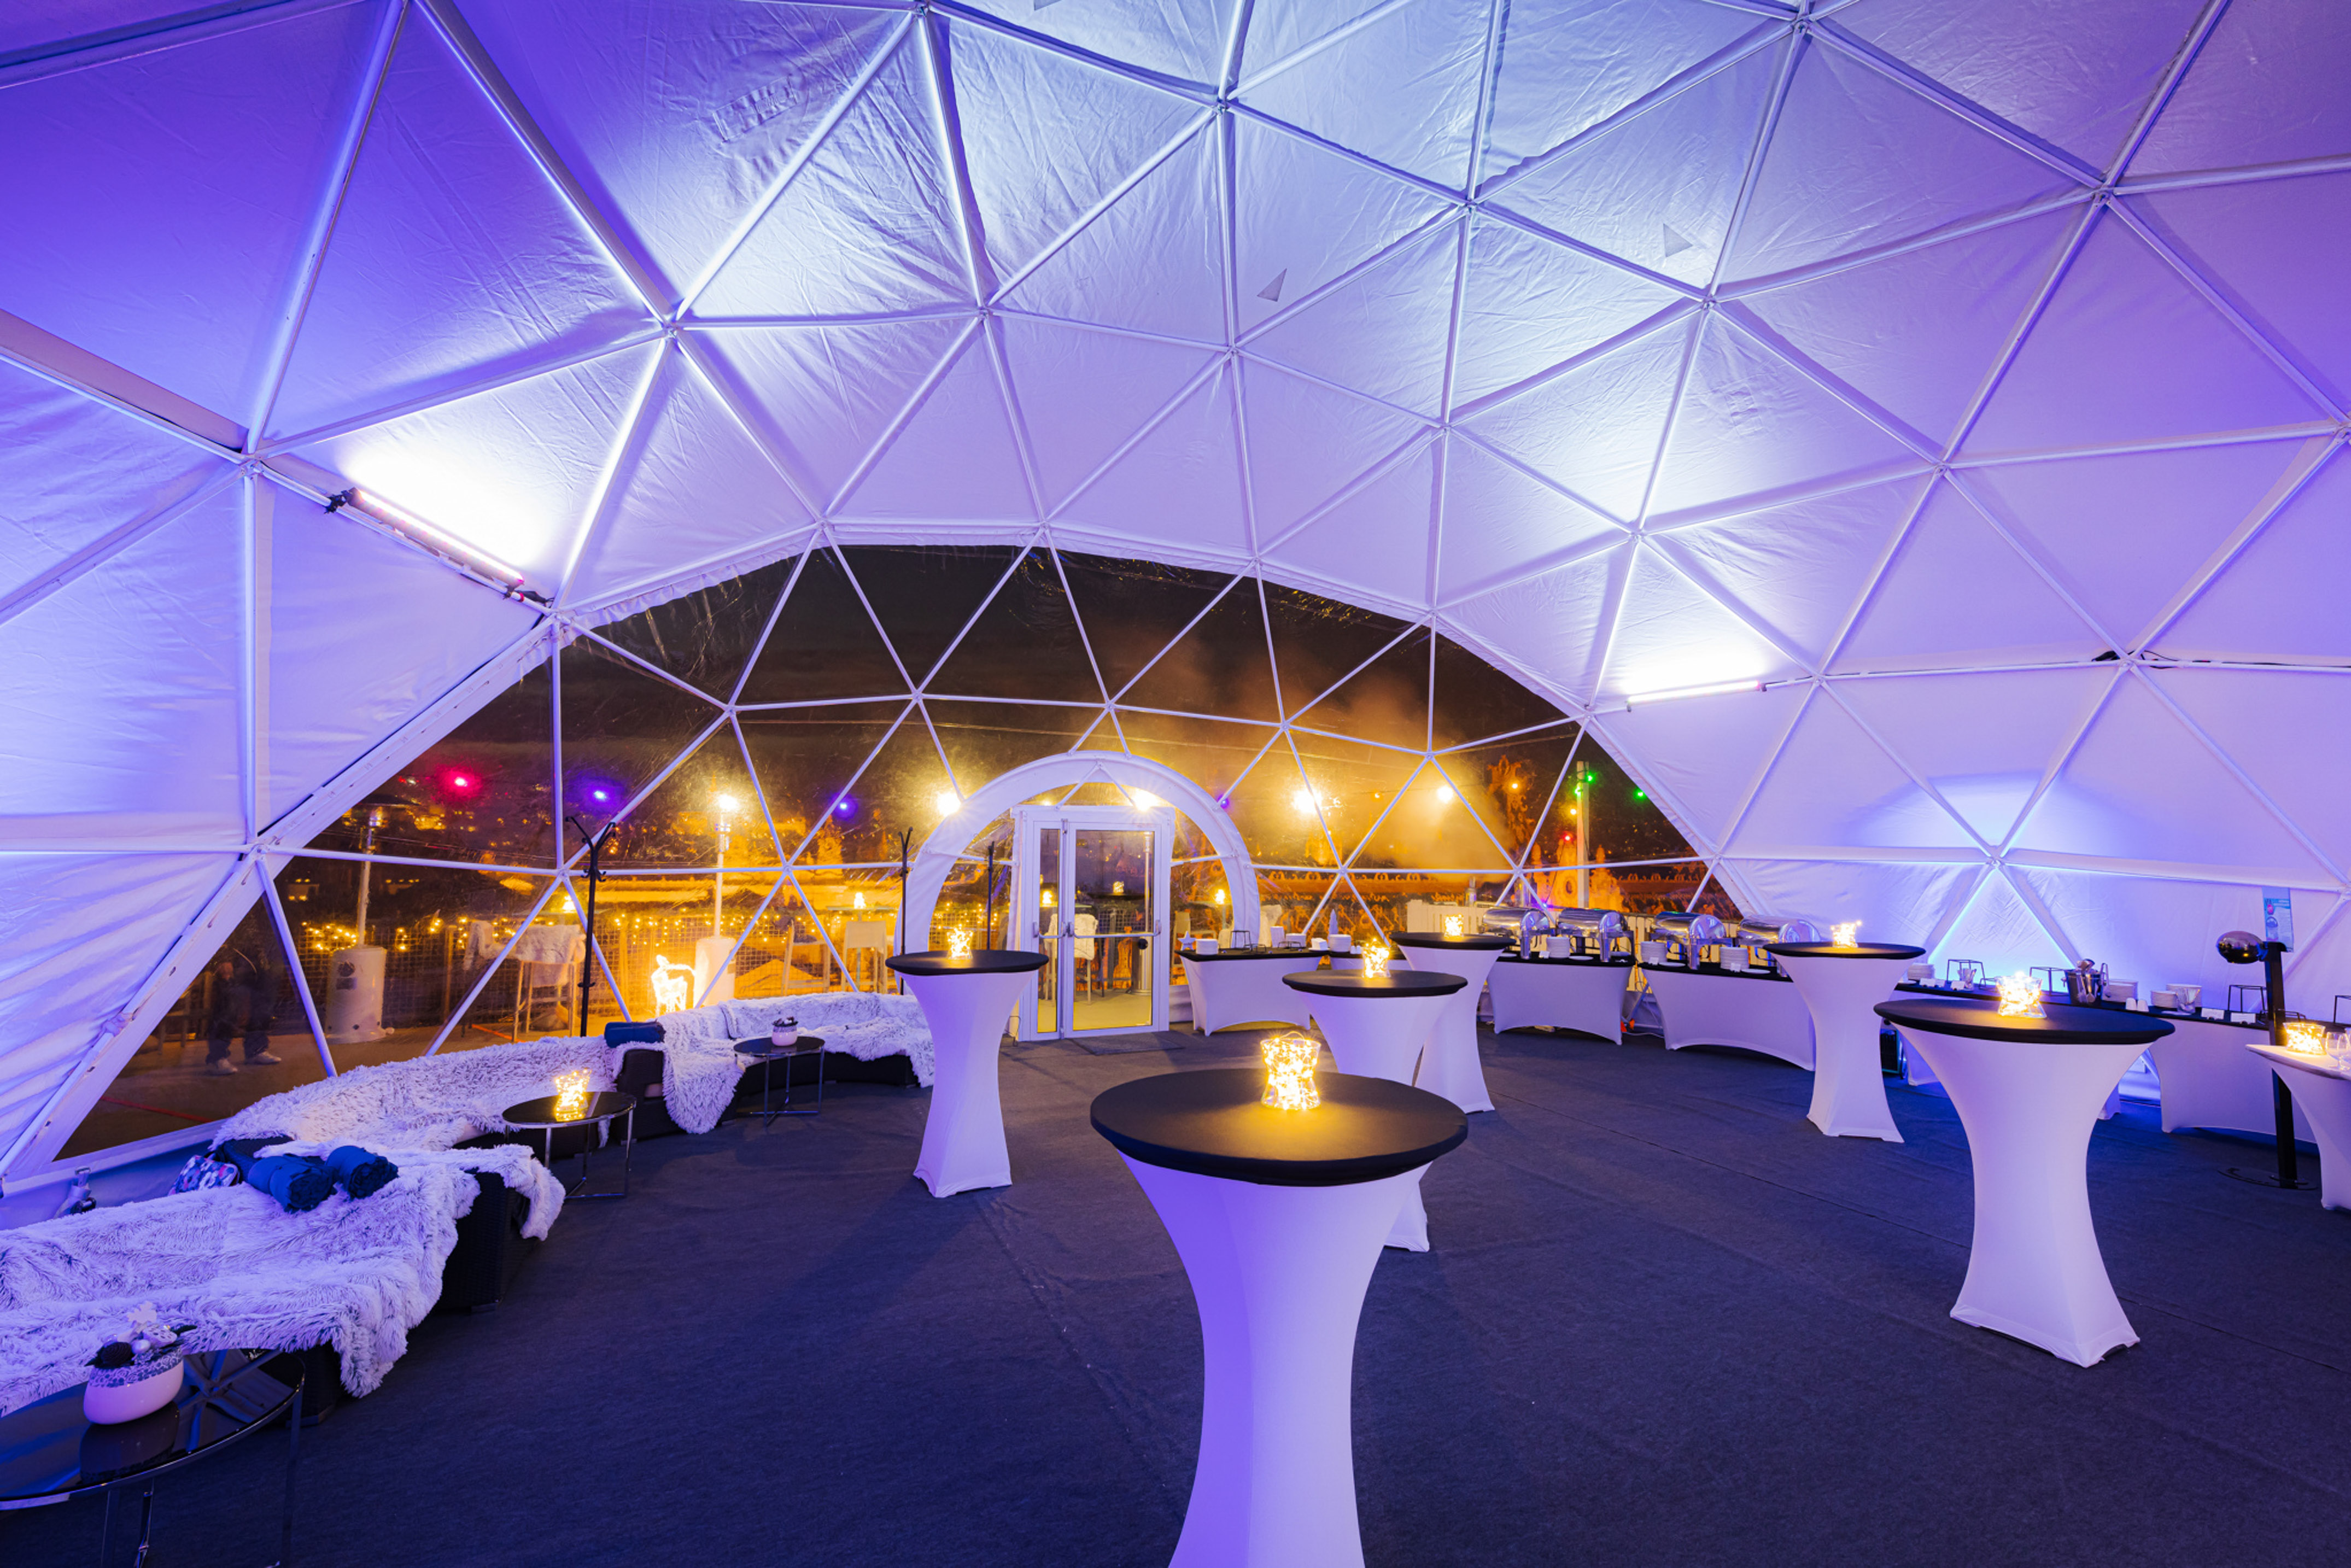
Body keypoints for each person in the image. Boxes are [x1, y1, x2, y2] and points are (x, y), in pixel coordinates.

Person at [206, 940, 284, 1076]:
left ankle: (256, 1050)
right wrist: (222, 957)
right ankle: (218, 1057)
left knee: (261, 1008)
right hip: (237, 954)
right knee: (227, 1009)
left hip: (258, 959)